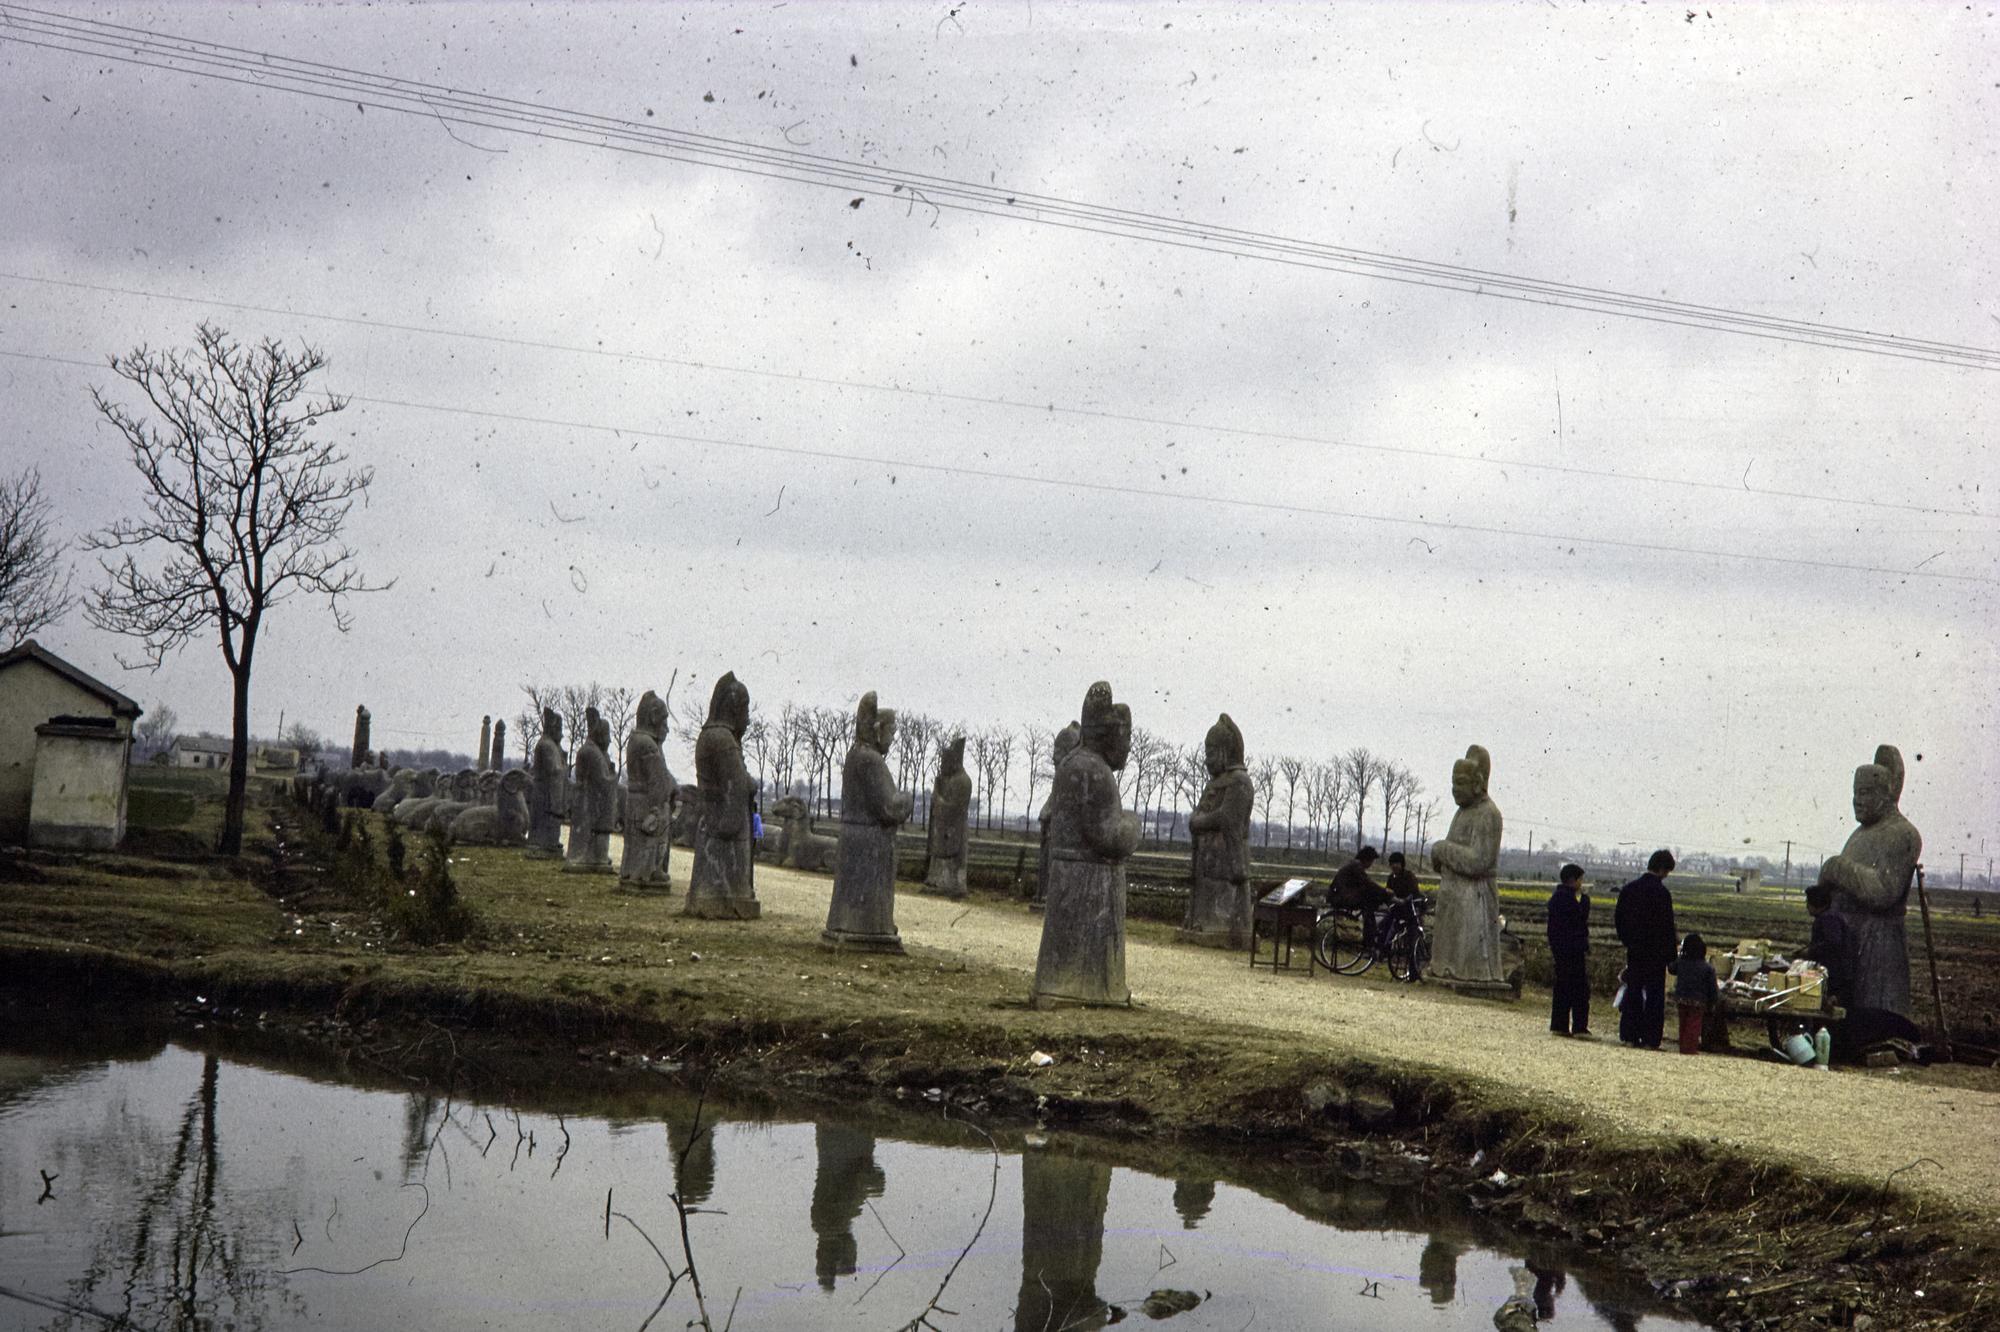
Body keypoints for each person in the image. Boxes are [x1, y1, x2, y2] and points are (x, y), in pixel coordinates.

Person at [1613, 849, 1677, 1049]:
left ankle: (1629, 1035)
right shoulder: (1662, 893)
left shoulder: (1629, 889)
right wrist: (1671, 956)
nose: (1666, 875)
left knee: (1633, 991)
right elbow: (1667, 926)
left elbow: (1619, 919)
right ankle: (1650, 1039)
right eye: (1667, 871)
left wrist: (1628, 940)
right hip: (1656, 953)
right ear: (1662, 869)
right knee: (1654, 995)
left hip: (1635, 950)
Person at [1545, 863, 1593, 1037]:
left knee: (1562, 987)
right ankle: (1579, 1026)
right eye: (1580, 879)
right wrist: (1585, 902)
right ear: (1573, 880)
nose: (1582, 883)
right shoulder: (1568, 899)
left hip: (1560, 950)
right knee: (1580, 989)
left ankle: (1559, 1024)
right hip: (1572, 950)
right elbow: (1579, 921)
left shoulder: (1556, 898)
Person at [1797, 881, 1854, 1008]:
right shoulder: (1831, 916)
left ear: (1816, 903)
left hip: (1835, 975)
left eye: (1808, 902)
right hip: (1837, 973)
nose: (1807, 906)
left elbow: (1833, 943)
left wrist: (1810, 952)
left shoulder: (1828, 919)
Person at [1327, 847, 1390, 946]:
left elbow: (1364, 884)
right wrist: (1384, 891)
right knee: (1369, 906)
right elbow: (1367, 882)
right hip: (1342, 897)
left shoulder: (1354, 865)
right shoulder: (1356, 866)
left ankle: (1370, 934)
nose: (1371, 864)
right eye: (1371, 861)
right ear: (1366, 859)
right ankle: (1369, 939)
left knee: (1371, 899)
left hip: (1339, 895)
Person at [1669, 932, 1719, 1055]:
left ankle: (1683, 1046)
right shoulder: (1707, 968)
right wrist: (1713, 1000)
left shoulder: (1681, 962)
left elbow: (1671, 969)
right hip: (1698, 1000)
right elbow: (1712, 987)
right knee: (1694, 1024)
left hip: (1681, 997)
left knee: (1683, 1023)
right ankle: (1690, 1048)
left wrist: (1677, 955)